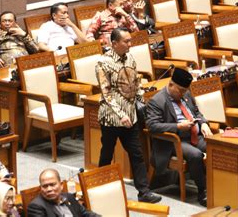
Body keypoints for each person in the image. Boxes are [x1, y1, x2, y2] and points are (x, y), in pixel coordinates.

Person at [95, 28, 161, 203]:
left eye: (130, 41)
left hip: (130, 116)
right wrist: (120, 114)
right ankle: (98, 186)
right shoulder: (103, 62)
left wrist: (141, 99)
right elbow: (106, 93)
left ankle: (144, 192)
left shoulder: (130, 57)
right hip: (111, 117)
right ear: (114, 43)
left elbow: (135, 81)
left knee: (137, 153)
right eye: (126, 41)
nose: (130, 44)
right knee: (107, 153)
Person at [146, 67, 213, 207]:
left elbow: (196, 113)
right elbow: (152, 126)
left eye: (185, 91)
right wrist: (177, 126)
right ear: (171, 85)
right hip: (174, 141)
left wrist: (204, 123)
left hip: (194, 135)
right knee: (196, 155)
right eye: (181, 91)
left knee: (216, 147)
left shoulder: (186, 94)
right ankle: (203, 190)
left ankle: (216, 186)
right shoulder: (156, 101)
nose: (184, 94)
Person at [27, 169, 100, 217]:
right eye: (45, 186)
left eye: (52, 185)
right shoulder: (36, 207)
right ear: (41, 188)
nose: (49, 189)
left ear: (61, 185)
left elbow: (86, 214)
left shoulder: (69, 197)